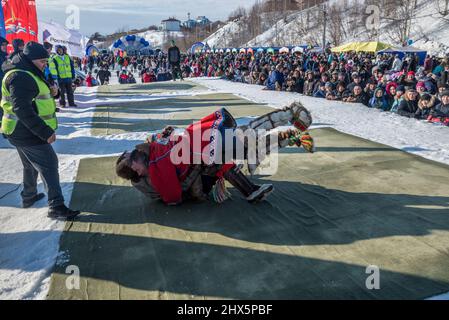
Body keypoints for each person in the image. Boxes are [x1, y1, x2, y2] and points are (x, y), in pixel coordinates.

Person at [116, 103, 314, 205]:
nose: (136, 156)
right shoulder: (153, 177)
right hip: (200, 164)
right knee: (243, 144)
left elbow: (160, 140)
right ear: (135, 170)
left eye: (134, 154)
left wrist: (165, 134)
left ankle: (288, 118)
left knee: (243, 142)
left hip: (198, 143)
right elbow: (175, 196)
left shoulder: (149, 151)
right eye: (133, 160)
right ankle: (289, 129)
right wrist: (195, 163)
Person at [0, 42, 80, 219]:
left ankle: (28, 196)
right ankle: (56, 207)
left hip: (18, 130)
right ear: (32, 59)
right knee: (49, 164)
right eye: (43, 61)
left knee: (30, 164)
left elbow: (37, 96)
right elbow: (22, 109)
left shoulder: (26, 70)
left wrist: (55, 93)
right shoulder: (21, 76)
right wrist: (45, 132)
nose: (45, 64)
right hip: (25, 131)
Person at [0, 37, 9, 129]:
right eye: (2, 45)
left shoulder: (6, 55)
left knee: (4, 104)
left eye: (5, 45)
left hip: (4, 84)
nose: (5, 46)